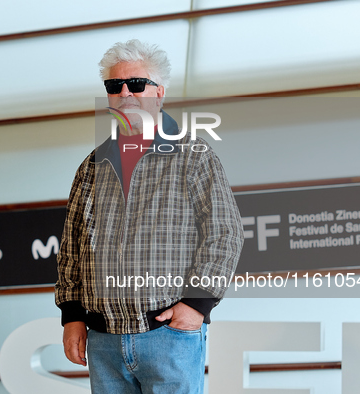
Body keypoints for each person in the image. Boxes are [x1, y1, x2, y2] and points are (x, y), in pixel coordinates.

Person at [55, 39, 244, 393]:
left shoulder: (194, 156)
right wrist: (73, 316)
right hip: (104, 341)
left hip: (168, 335)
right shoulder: (92, 166)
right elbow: (72, 249)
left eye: (136, 83)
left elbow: (225, 234)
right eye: (115, 86)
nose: (125, 92)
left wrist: (196, 305)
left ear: (158, 93)